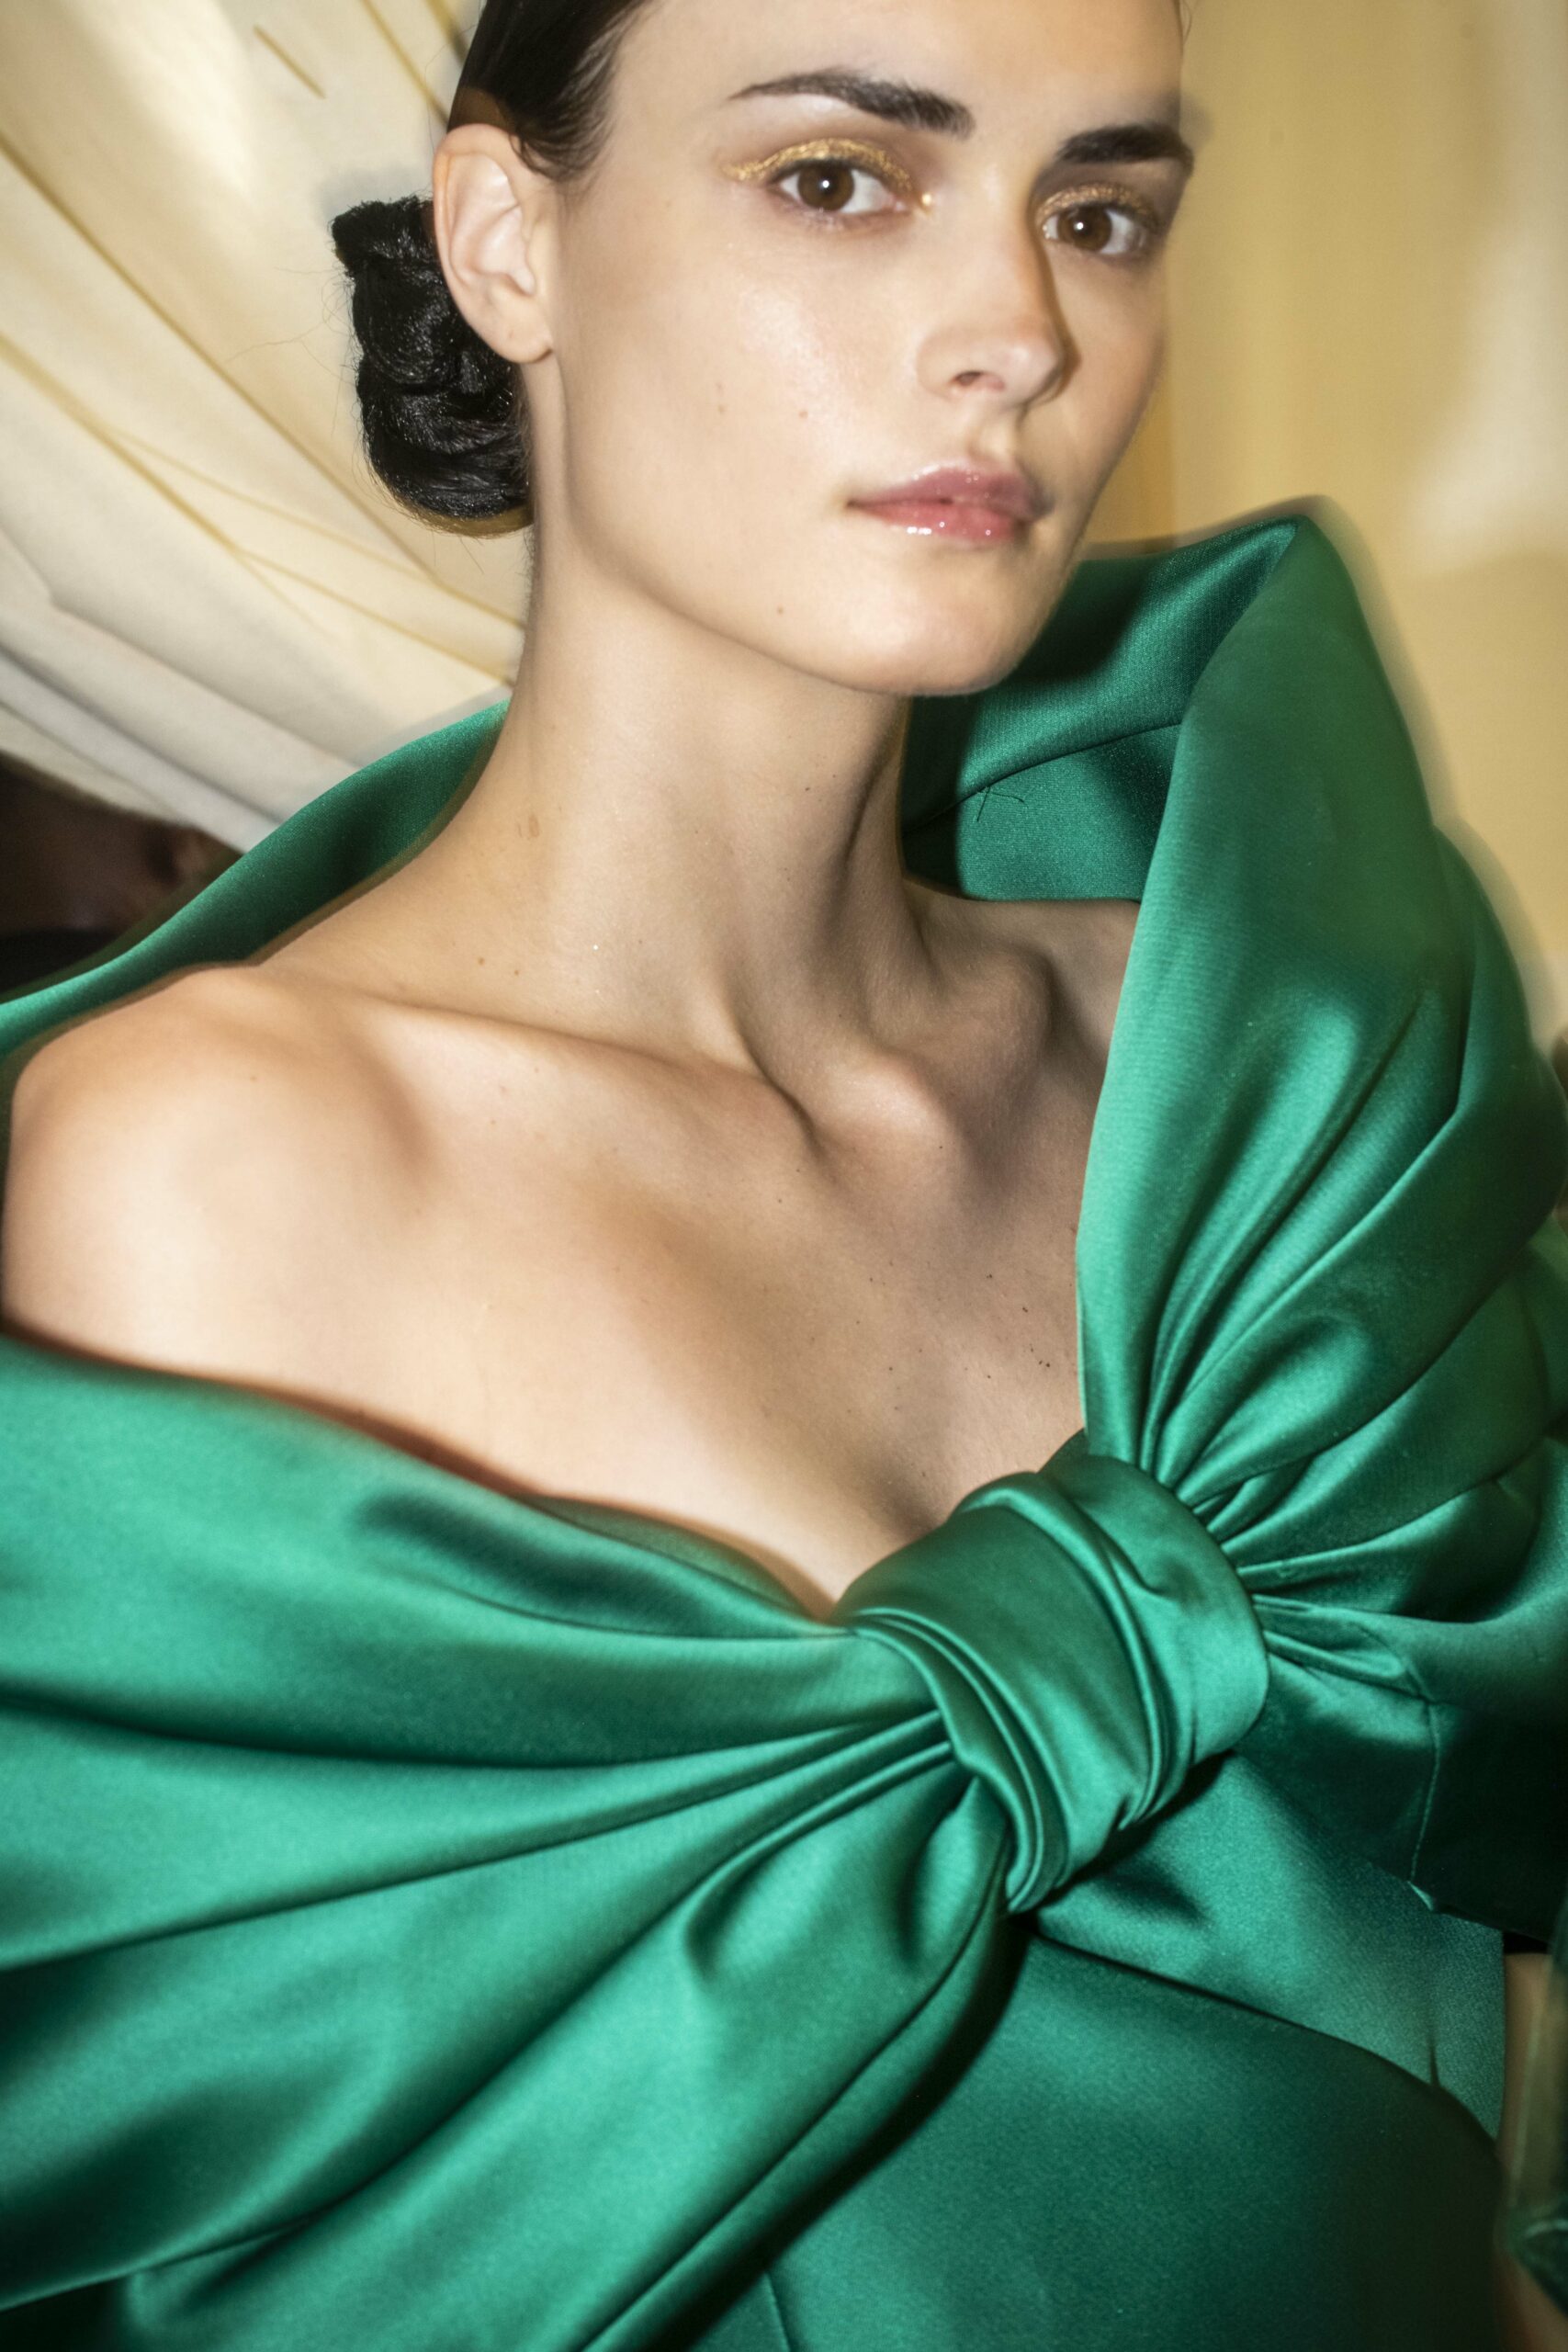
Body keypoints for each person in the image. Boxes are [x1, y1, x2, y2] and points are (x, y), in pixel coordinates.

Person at [1, 0, 1565, 2346]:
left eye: (1096, 210)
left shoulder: (1279, 1072)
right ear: (506, 240)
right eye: (837, 179)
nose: (1018, 328)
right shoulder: (223, 1172)